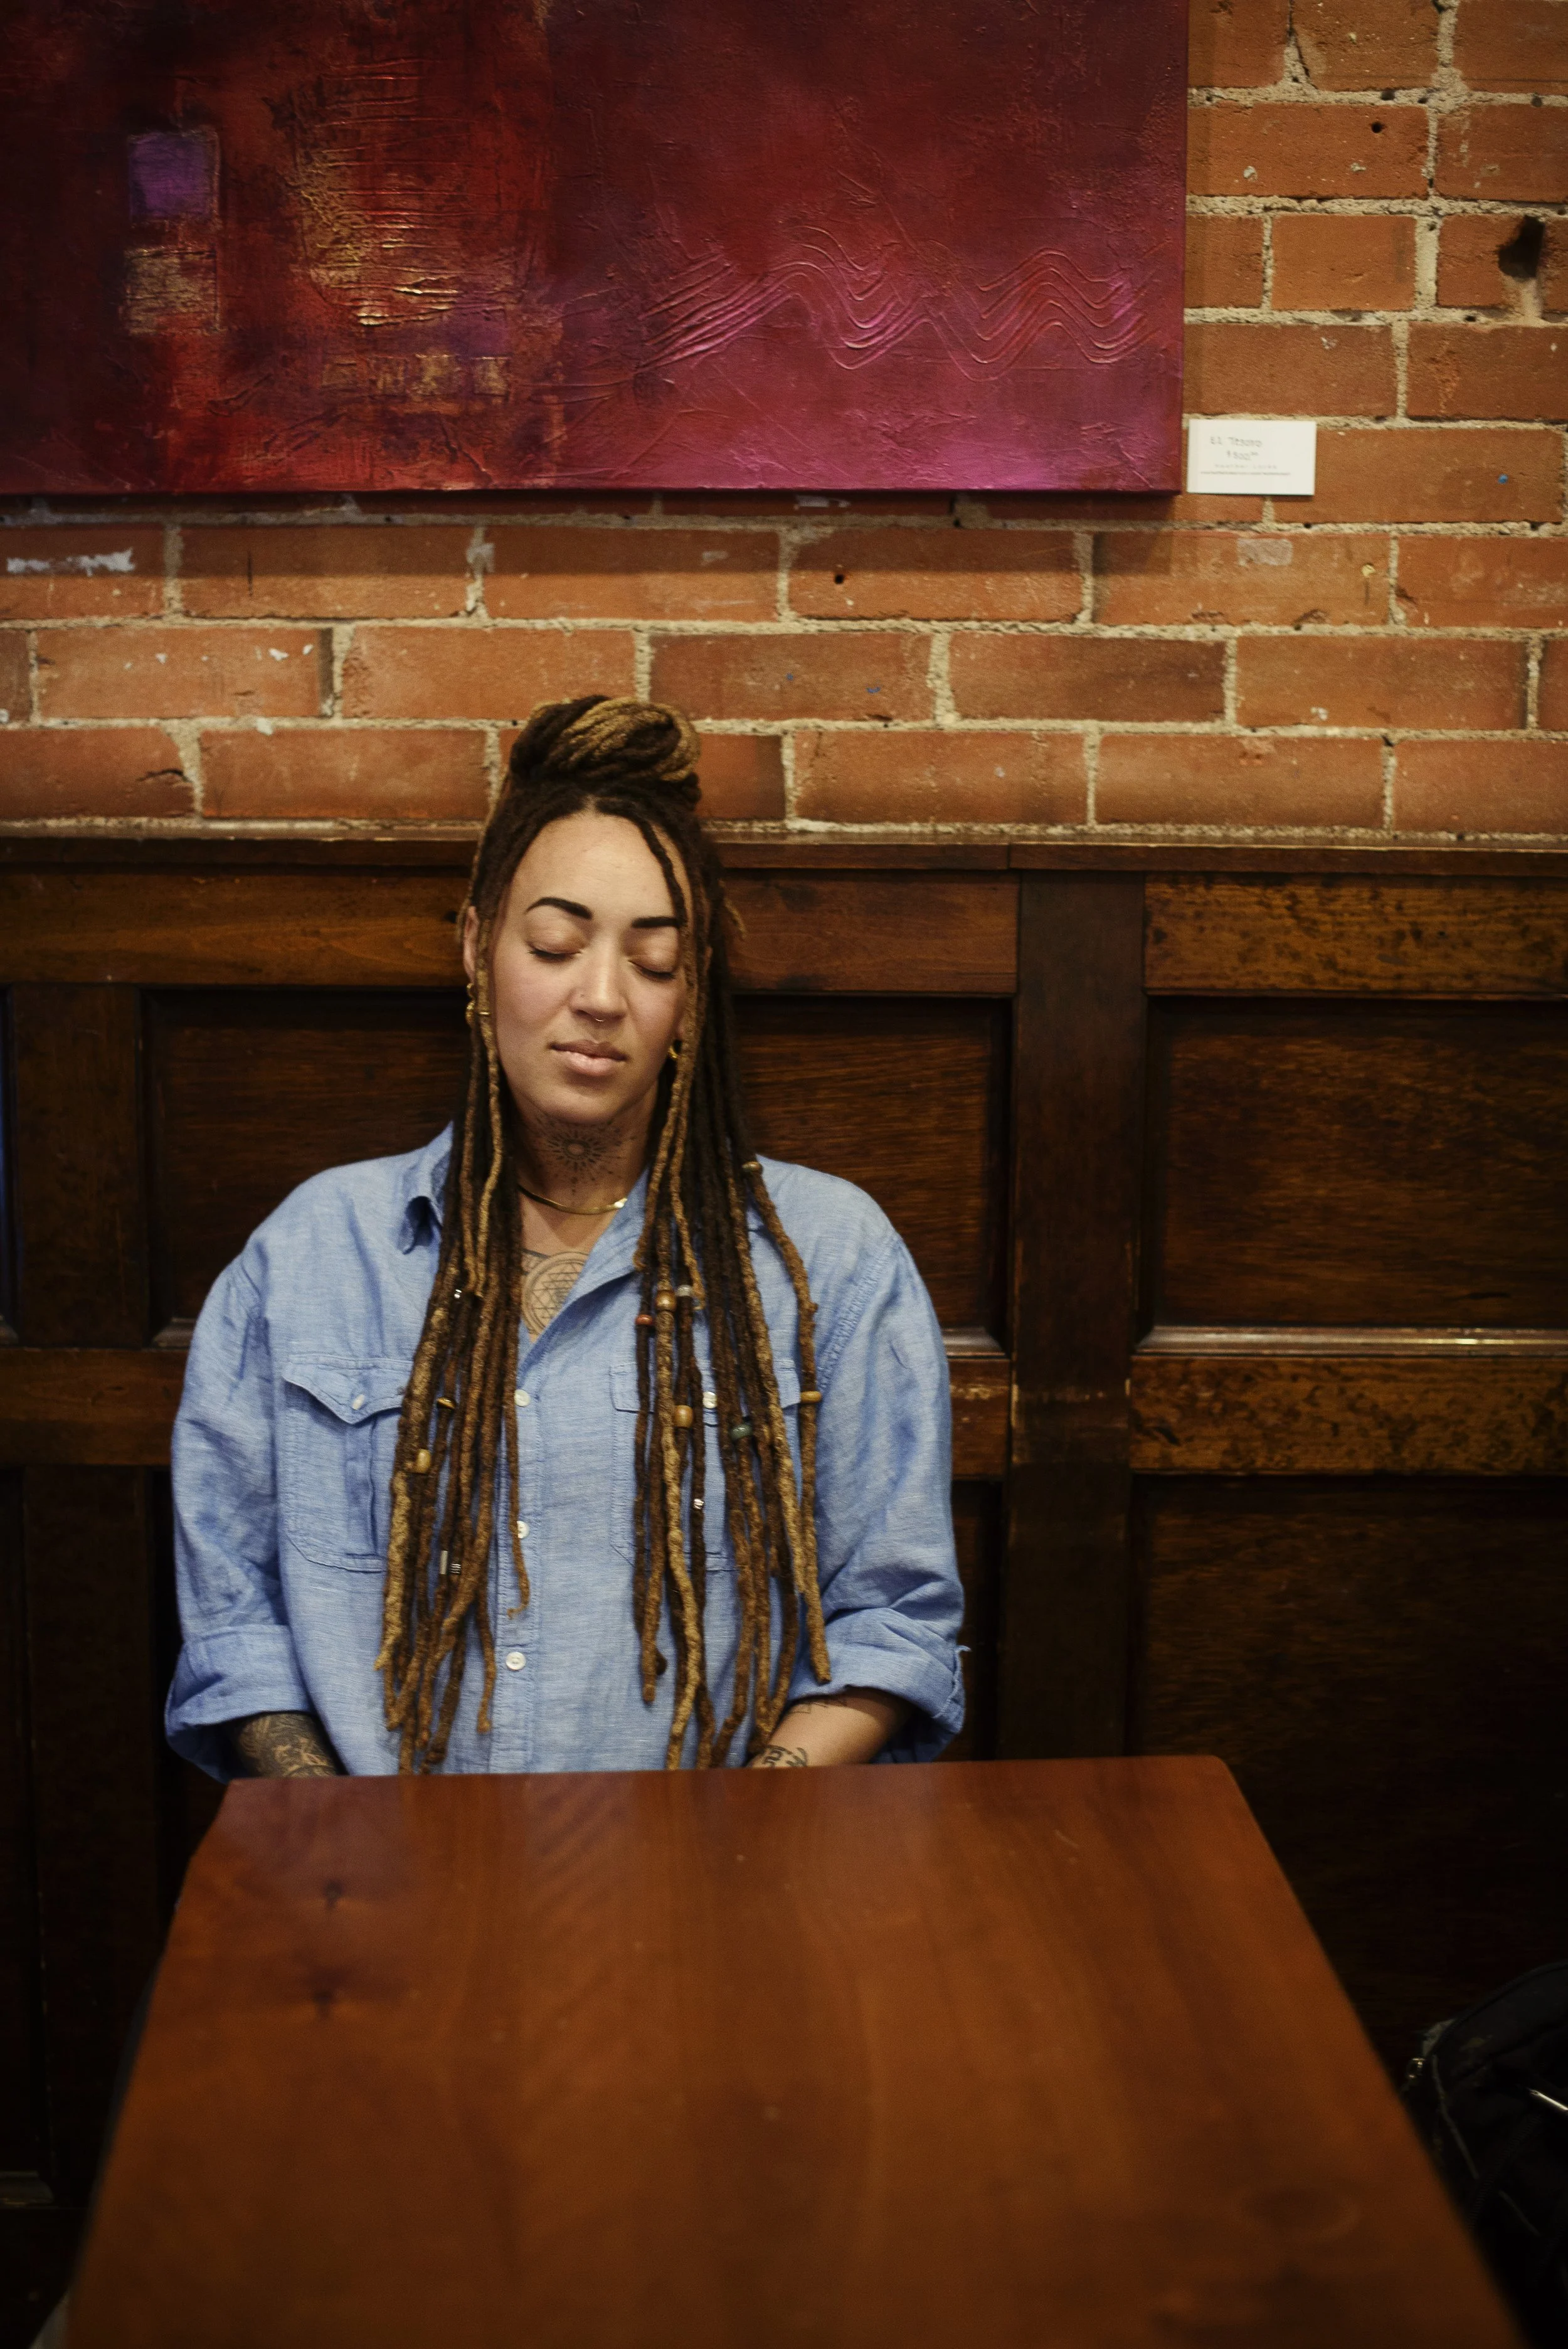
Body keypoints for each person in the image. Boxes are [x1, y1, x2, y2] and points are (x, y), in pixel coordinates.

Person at [166, 695, 965, 1778]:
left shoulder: (831, 1258)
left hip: (714, 1899)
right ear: (476, 947)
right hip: (380, 1900)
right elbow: (235, 1628)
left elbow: (895, 1626)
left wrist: (743, 1823)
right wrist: (331, 1820)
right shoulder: (312, 1254)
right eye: (555, 943)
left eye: (653, 960)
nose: (600, 996)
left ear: (692, 996)